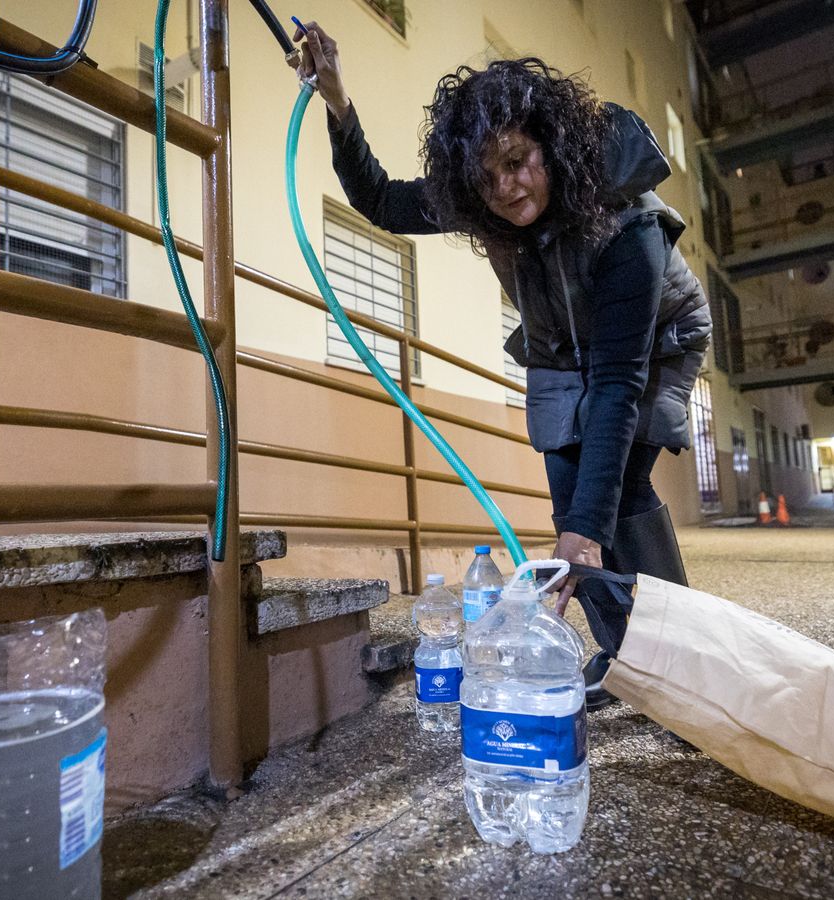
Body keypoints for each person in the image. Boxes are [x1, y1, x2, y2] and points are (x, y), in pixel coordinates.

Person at [291, 24, 711, 710]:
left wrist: (584, 532)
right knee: (571, 505)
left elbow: (617, 385)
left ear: (551, 145)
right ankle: (623, 657)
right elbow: (381, 200)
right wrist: (335, 97)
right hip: (556, 349)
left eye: (517, 162)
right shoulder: (483, 199)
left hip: (651, 341)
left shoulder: (627, 226)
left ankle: (685, 663)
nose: (507, 189)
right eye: (486, 179)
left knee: (616, 495)